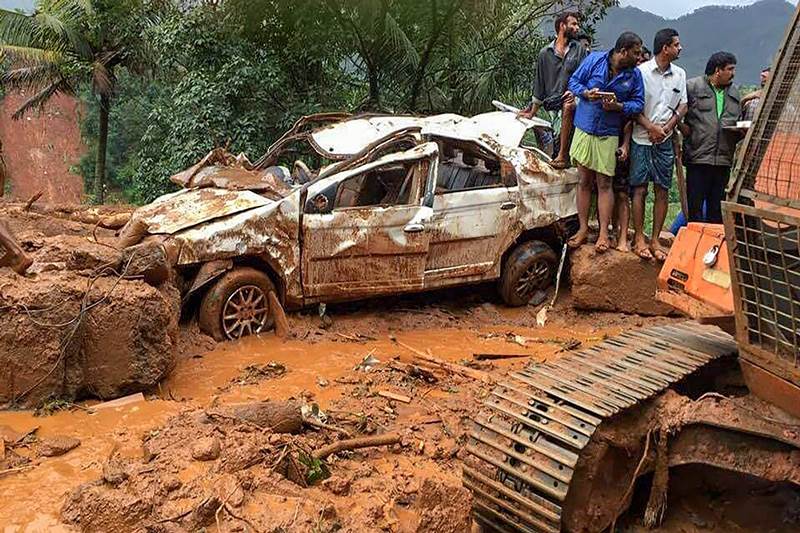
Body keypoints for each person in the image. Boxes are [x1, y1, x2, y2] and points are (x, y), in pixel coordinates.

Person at [567, 31, 645, 253]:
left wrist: (619, 106)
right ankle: (582, 229)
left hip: (609, 132)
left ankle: (603, 234)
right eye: (636, 53)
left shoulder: (634, 75)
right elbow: (573, 81)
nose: (639, 58)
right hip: (584, 126)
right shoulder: (594, 60)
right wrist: (585, 93)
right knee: (583, 181)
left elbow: (638, 103)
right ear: (623, 51)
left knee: (604, 184)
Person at [629, 28, 688, 261]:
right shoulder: (640, 72)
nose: (680, 48)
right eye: (676, 44)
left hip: (664, 139)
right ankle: (639, 238)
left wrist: (668, 126)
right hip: (641, 137)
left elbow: (683, 104)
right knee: (640, 189)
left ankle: (655, 240)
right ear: (665, 48)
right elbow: (632, 106)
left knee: (662, 188)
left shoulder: (680, 74)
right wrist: (651, 127)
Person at [519, 11, 587, 169]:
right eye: (574, 24)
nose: (577, 28)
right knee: (550, 144)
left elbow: (585, 76)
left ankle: (563, 155)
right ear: (562, 26)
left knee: (569, 106)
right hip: (552, 105)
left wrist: (576, 91)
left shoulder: (579, 50)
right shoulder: (545, 53)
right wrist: (532, 111)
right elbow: (539, 84)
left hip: (572, 100)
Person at [681, 51, 742, 224]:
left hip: (723, 160)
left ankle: (713, 247)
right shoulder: (692, 87)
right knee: (695, 207)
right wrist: (683, 130)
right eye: (730, 69)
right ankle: (694, 246)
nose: (733, 73)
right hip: (698, 158)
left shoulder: (735, 93)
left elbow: (737, 121)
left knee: (717, 210)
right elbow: (676, 112)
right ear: (718, 70)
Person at [612, 46, 652, 252]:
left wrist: (625, 143)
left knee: (623, 192)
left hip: (631, 140)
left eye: (643, 59)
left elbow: (631, 116)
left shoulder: (641, 84)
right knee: (607, 189)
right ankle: (612, 231)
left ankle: (623, 237)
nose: (639, 63)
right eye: (637, 58)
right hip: (609, 134)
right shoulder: (623, 79)